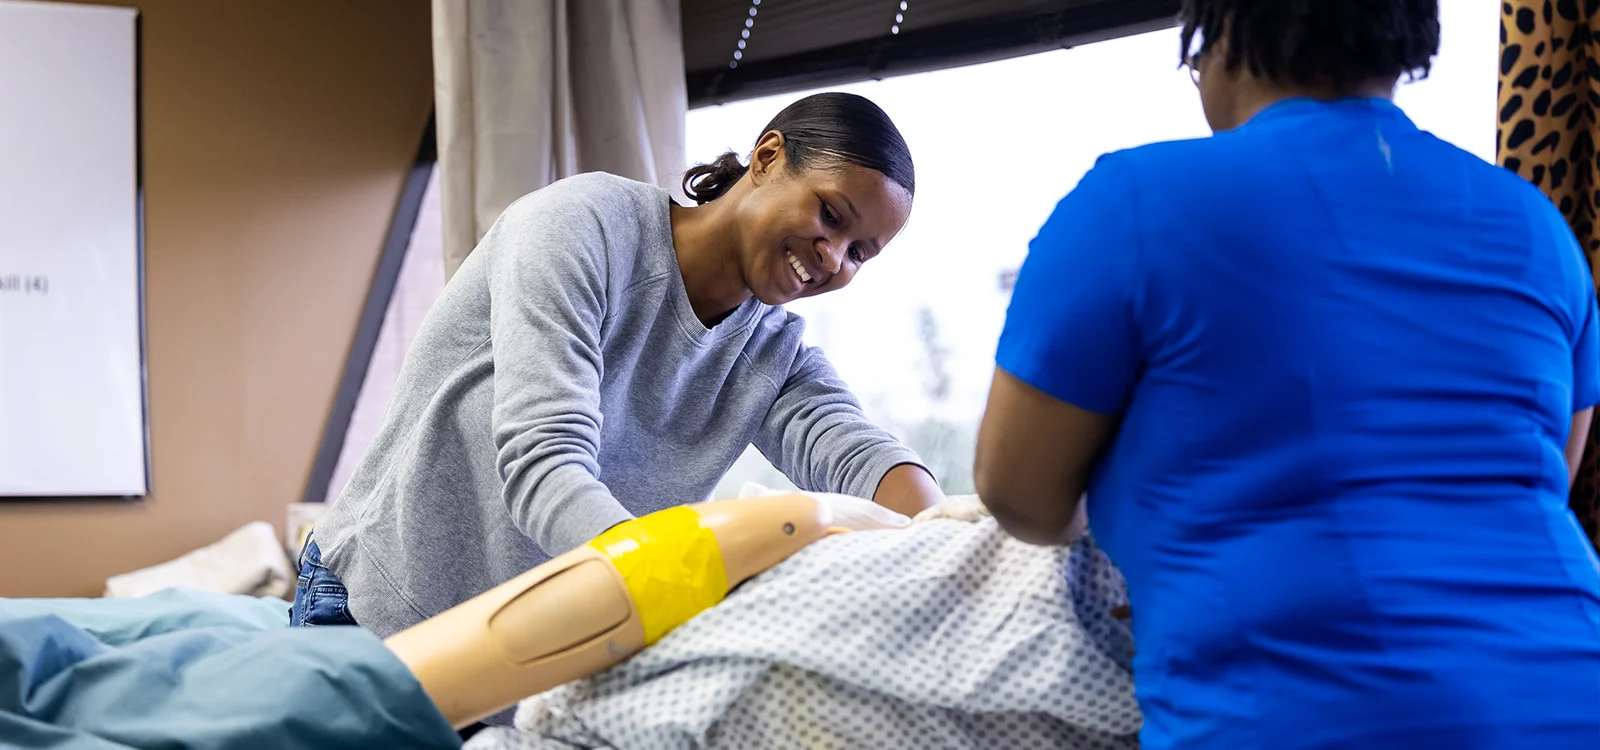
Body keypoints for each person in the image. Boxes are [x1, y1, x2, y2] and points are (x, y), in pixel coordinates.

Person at [974, 1, 1600, 747]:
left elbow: (1020, 495)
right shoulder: (1536, 224)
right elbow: (1543, 478)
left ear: (1221, 36)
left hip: (1296, 715)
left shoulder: (1133, 202)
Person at [294, 92, 943, 640]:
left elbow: (860, 457)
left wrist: (944, 541)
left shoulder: (772, 353)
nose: (833, 260)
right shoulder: (579, 228)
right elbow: (543, 465)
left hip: (527, 653)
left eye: (861, 253)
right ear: (768, 157)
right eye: (831, 215)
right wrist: (689, 593)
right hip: (375, 610)